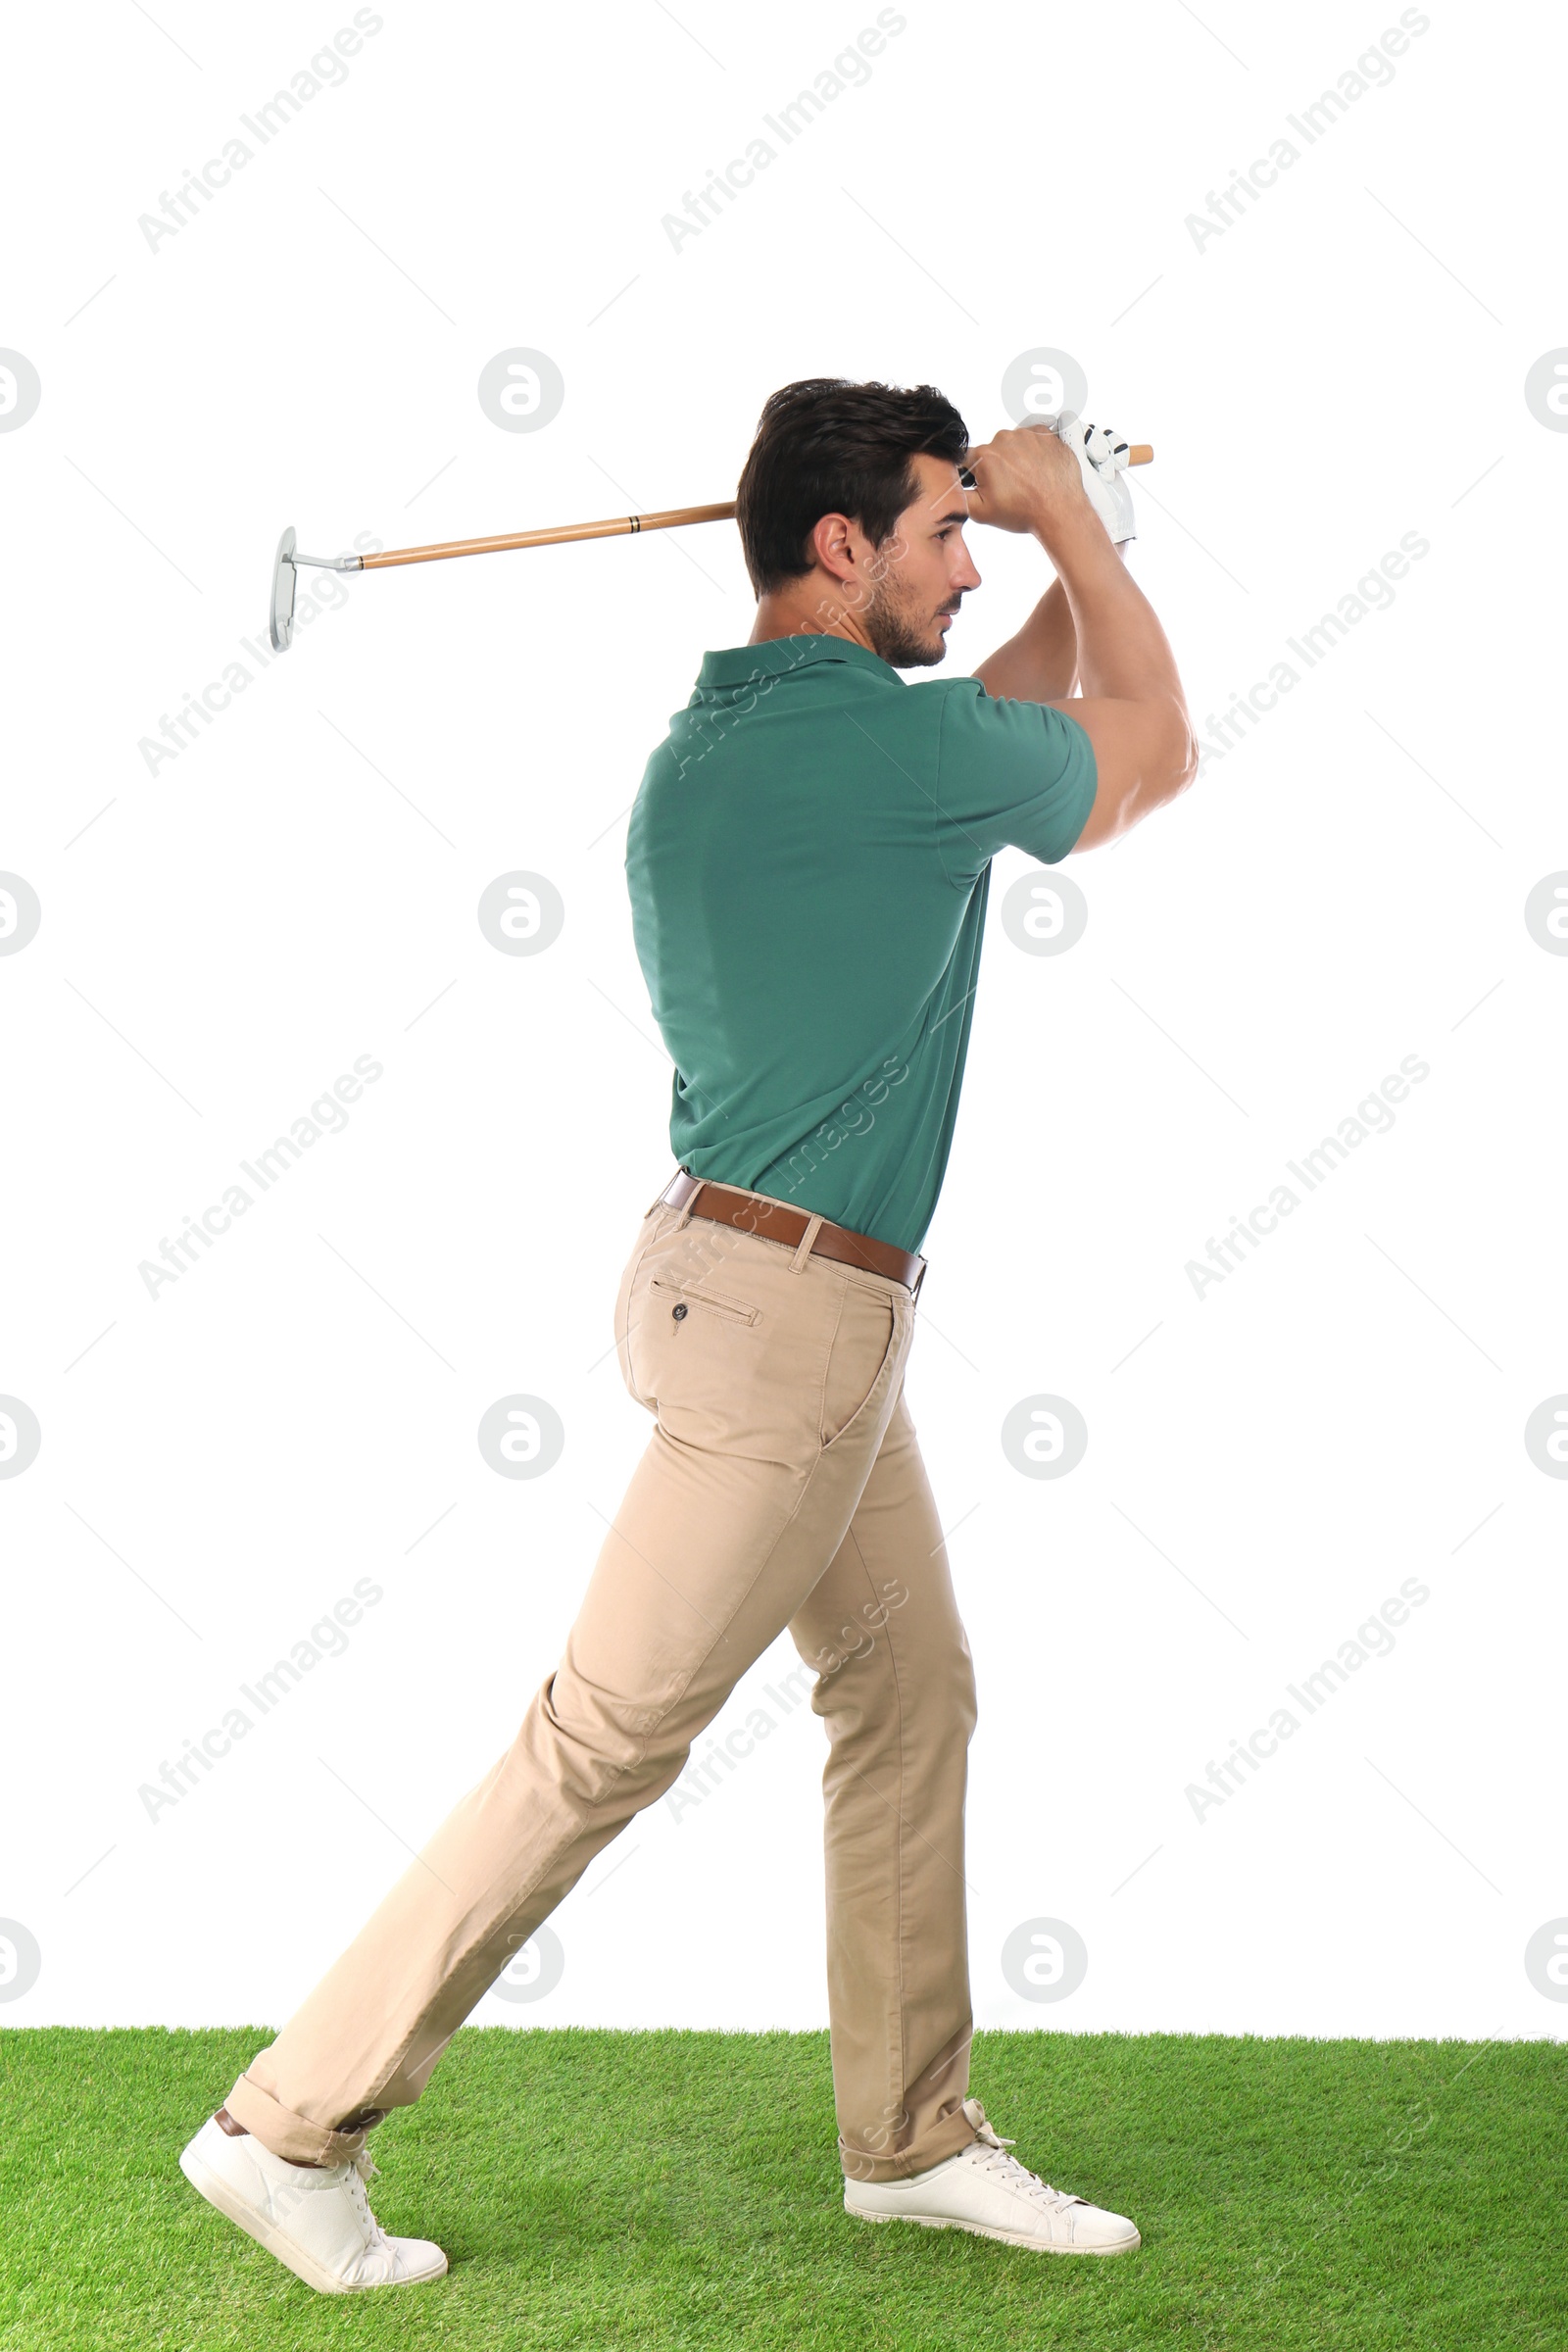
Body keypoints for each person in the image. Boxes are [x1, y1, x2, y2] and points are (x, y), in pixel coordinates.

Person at [179, 378, 1197, 2292]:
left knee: (909, 1695)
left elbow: (1004, 739)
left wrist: (1075, 539)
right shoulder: (872, 759)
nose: (968, 571)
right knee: (595, 1744)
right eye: (940, 535)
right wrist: (1079, 526)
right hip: (785, 1339)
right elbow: (1134, 752)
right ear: (837, 549)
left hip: (751, 1296)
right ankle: (287, 2125)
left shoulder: (740, 742)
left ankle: (907, 2137)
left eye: (979, 538)